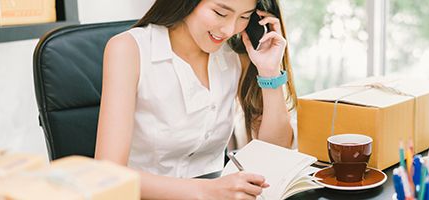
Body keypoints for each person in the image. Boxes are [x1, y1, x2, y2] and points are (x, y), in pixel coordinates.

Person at [94, 0, 297, 199]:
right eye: (220, 13)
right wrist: (207, 190)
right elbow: (109, 175)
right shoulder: (129, 49)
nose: (229, 30)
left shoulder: (235, 56)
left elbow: (276, 149)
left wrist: (270, 72)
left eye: (244, 17)